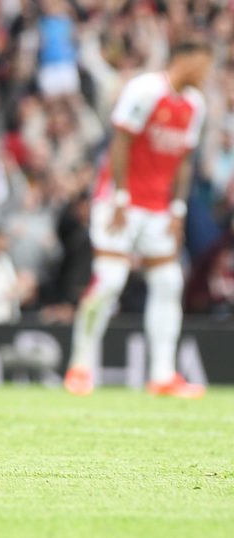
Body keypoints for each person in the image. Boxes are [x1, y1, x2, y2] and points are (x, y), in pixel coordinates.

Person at [65, 38, 211, 398]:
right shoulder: (145, 90)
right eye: (204, 64)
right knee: (111, 281)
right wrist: (118, 196)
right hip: (121, 202)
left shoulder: (195, 104)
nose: (208, 73)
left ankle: (162, 375)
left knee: (169, 283)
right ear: (186, 59)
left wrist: (177, 210)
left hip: (159, 208)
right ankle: (80, 366)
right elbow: (120, 142)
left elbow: (184, 161)